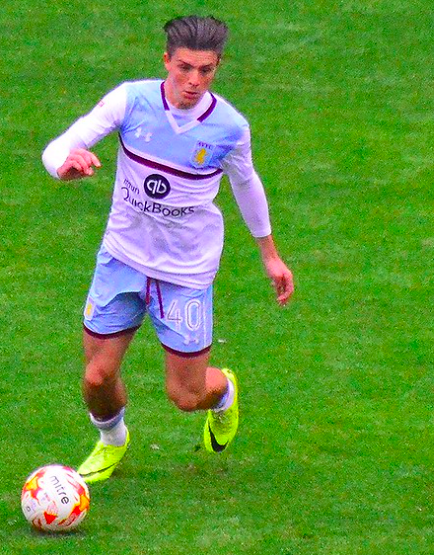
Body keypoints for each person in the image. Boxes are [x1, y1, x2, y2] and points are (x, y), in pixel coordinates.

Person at [41, 15, 294, 483]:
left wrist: (270, 254)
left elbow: (247, 185)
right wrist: (63, 165)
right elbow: (58, 147)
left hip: (185, 271)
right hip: (121, 258)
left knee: (186, 395)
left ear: (217, 67)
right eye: (184, 68)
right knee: (96, 377)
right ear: (166, 61)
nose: (194, 81)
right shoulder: (131, 101)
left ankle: (223, 393)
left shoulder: (230, 128)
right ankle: (112, 440)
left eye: (206, 70)